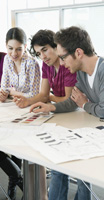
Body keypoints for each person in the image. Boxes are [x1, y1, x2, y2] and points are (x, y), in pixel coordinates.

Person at [30, 26, 104, 200]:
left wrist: (85, 105)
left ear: (78, 53)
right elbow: (73, 101)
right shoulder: (82, 74)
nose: (61, 63)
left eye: (63, 57)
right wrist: (51, 107)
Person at [13, 29, 77, 200]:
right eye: (39, 52)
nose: (43, 56)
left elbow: (68, 100)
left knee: (59, 164)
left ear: (56, 46)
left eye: (45, 49)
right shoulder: (46, 65)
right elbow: (43, 94)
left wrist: (49, 98)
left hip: (74, 115)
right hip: (58, 114)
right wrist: (27, 101)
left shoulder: (67, 65)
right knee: (52, 160)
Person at [0, 27, 40, 200]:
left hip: (29, 111)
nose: (13, 53)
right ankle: (16, 178)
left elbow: (36, 94)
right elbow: (4, 87)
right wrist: (4, 93)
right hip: (11, 110)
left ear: (24, 46)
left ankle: (14, 182)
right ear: (6, 46)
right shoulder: (7, 61)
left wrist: (12, 93)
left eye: (18, 48)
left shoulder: (32, 63)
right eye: (10, 48)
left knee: (16, 147)